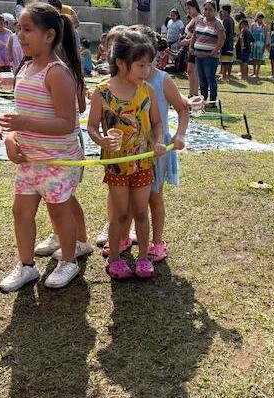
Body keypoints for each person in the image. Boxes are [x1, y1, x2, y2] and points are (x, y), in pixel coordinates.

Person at [0, 2, 87, 292]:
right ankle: (26, 266)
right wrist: (11, 139)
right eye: (18, 29)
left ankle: (69, 261)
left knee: (59, 213)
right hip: (30, 160)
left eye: (27, 29)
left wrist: (24, 122)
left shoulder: (57, 73)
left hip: (57, 160)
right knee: (20, 212)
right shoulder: (25, 67)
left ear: (49, 36)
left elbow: (66, 123)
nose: (19, 35)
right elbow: (19, 117)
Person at [87, 30, 168, 280]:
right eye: (141, 65)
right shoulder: (102, 92)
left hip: (143, 162)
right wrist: (102, 140)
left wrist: (159, 141)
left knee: (141, 212)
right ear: (121, 63)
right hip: (117, 166)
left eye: (148, 65)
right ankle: (115, 260)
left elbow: (156, 124)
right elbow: (91, 126)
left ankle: (143, 258)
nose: (146, 71)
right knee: (120, 213)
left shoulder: (147, 91)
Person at [127, 25, 188, 263]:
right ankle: (126, 235)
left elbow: (183, 109)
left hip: (156, 149)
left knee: (154, 196)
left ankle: (158, 242)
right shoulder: (123, 79)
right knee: (129, 195)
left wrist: (180, 135)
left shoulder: (162, 80)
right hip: (130, 149)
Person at [189, 0, 224, 105]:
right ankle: (203, 101)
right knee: (202, 79)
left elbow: (222, 38)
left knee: (210, 78)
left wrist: (215, 51)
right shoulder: (199, 21)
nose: (207, 12)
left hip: (210, 57)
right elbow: (194, 35)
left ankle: (212, 102)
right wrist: (191, 47)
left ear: (215, 11)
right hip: (198, 56)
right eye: (206, 9)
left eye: (210, 10)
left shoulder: (217, 23)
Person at [181, 0, 201, 97]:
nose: (187, 10)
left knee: (194, 71)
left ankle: (195, 93)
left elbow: (198, 36)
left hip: (196, 48)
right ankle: (191, 93)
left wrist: (187, 42)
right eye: (187, 8)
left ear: (195, 7)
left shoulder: (200, 19)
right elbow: (190, 34)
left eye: (189, 8)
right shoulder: (193, 19)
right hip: (190, 48)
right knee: (189, 70)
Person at [219, 5, 234, 80]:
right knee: (229, 60)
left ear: (227, 11)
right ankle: (228, 75)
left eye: (223, 11)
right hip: (230, 43)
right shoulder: (231, 19)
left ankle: (224, 75)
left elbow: (223, 32)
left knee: (225, 60)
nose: (222, 13)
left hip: (226, 43)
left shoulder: (226, 20)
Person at [250, 13, 266, 79]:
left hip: (261, 44)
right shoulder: (253, 25)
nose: (260, 19)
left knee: (259, 58)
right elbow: (251, 34)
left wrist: (265, 45)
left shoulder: (264, 26)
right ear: (257, 17)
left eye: (261, 18)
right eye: (259, 17)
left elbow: (265, 36)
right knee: (254, 58)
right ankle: (254, 72)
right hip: (254, 44)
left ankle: (257, 73)